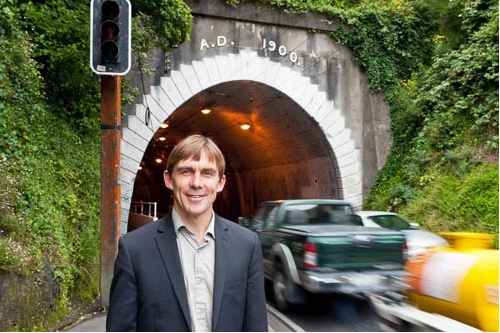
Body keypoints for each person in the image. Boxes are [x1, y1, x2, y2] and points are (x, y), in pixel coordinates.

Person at [106, 134, 268, 332]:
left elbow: (256, 326)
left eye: (207, 173)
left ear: (220, 183)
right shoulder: (134, 250)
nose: (197, 183)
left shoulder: (247, 244)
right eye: (186, 171)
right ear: (168, 179)